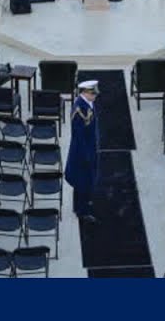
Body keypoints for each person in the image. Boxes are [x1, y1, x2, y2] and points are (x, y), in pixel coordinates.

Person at [65, 79, 100, 222]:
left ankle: (82, 204)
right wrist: (86, 155)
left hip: (90, 146)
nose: (95, 96)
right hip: (82, 151)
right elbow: (78, 135)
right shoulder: (79, 109)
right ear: (85, 92)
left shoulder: (88, 103)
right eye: (93, 93)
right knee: (82, 180)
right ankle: (82, 211)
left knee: (87, 179)